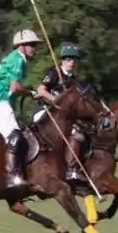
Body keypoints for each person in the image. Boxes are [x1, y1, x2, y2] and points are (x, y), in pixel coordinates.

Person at [0, 29, 42, 187]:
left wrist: (28, 90)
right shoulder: (17, 59)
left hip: (0, 100)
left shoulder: (17, 59)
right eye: (32, 45)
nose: (34, 48)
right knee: (15, 136)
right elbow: (15, 87)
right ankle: (11, 176)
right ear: (22, 46)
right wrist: (30, 92)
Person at [32, 42, 85, 180]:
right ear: (62, 60)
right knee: (72, 132)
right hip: (45, 110)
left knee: (80, 133)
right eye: (69, 59)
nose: (72, 62)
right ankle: (70, 169)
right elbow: (41, 90)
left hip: (62, 116)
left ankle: (73, 168)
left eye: (74, 60)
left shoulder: (73, 80)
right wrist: (56, 100)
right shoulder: (54, 72)